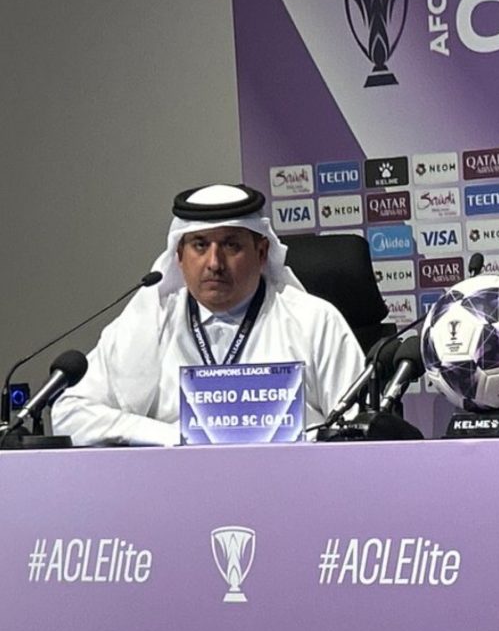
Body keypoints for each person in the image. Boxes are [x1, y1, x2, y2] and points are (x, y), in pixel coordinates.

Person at [51, 184, 365, 446]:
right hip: (171, 489)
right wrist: (172, 437)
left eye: (230, 245)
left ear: (261, 253)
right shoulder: (148, 322)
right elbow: (69, 414)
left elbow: (360, 426)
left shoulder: (313, 321)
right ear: (179, 256)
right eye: (200, 245)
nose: (214, 262)